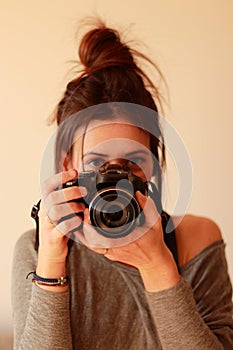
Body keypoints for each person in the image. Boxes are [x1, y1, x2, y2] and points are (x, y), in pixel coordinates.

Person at [12, 21, 233, 350]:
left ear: (154, 167)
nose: (114, 179)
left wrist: (156, 262)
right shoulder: (38, 248)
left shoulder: (193, 241)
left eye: (133, 162)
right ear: (67, 166)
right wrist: (52, 261)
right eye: (97, 164)